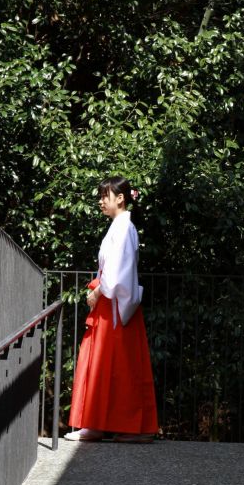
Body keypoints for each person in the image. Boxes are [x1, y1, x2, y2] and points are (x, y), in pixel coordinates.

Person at [65, 176, 158, 442]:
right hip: (114, 301)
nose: (100, 201)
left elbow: (117, 271)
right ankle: (98, 424)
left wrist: (98, 290)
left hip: (115, 304)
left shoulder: (124, 228)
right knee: (109, 365)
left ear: (121, 198)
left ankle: (131, 428)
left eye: (105, 196)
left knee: (117, 367)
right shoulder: (120, 227)